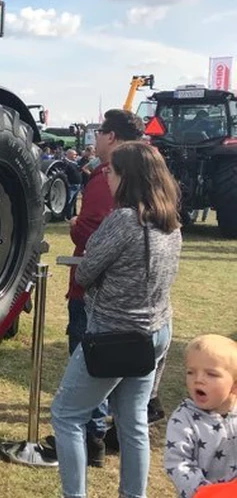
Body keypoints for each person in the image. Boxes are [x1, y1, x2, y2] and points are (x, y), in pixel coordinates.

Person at [51, 141, 182, 498]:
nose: (106, 176)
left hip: (114, 334)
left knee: (66, 414)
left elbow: (86, 271)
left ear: (128, 177)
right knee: (132, 421)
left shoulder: (124, 220)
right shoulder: (171, 223)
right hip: (154, 331)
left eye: (111, 170)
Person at [45, 110, 144, 466]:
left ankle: (90, 437)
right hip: (136, 304)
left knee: (88, 369)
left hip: (96, 297)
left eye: (100, 131)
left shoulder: (106, 179)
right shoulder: (147, 175)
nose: (96, 138)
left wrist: (75, 224)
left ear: (113, 137)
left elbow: (92, 233)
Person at [164, 334, 237, 498]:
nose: (198, 379)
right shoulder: (184, 418)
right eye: (191, 372)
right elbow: (177, 462)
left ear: (234, 385)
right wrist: (205, 492)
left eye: (211, 374)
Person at [63, 149, 82, 219]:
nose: (76, 156)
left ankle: (71, 214)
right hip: (71, 185)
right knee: (68, 201)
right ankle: (65, 215)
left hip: (77, 185)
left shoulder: (75, 163)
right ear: (69, 154)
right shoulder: (66, 163)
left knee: (73, 202)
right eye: (74, 154)